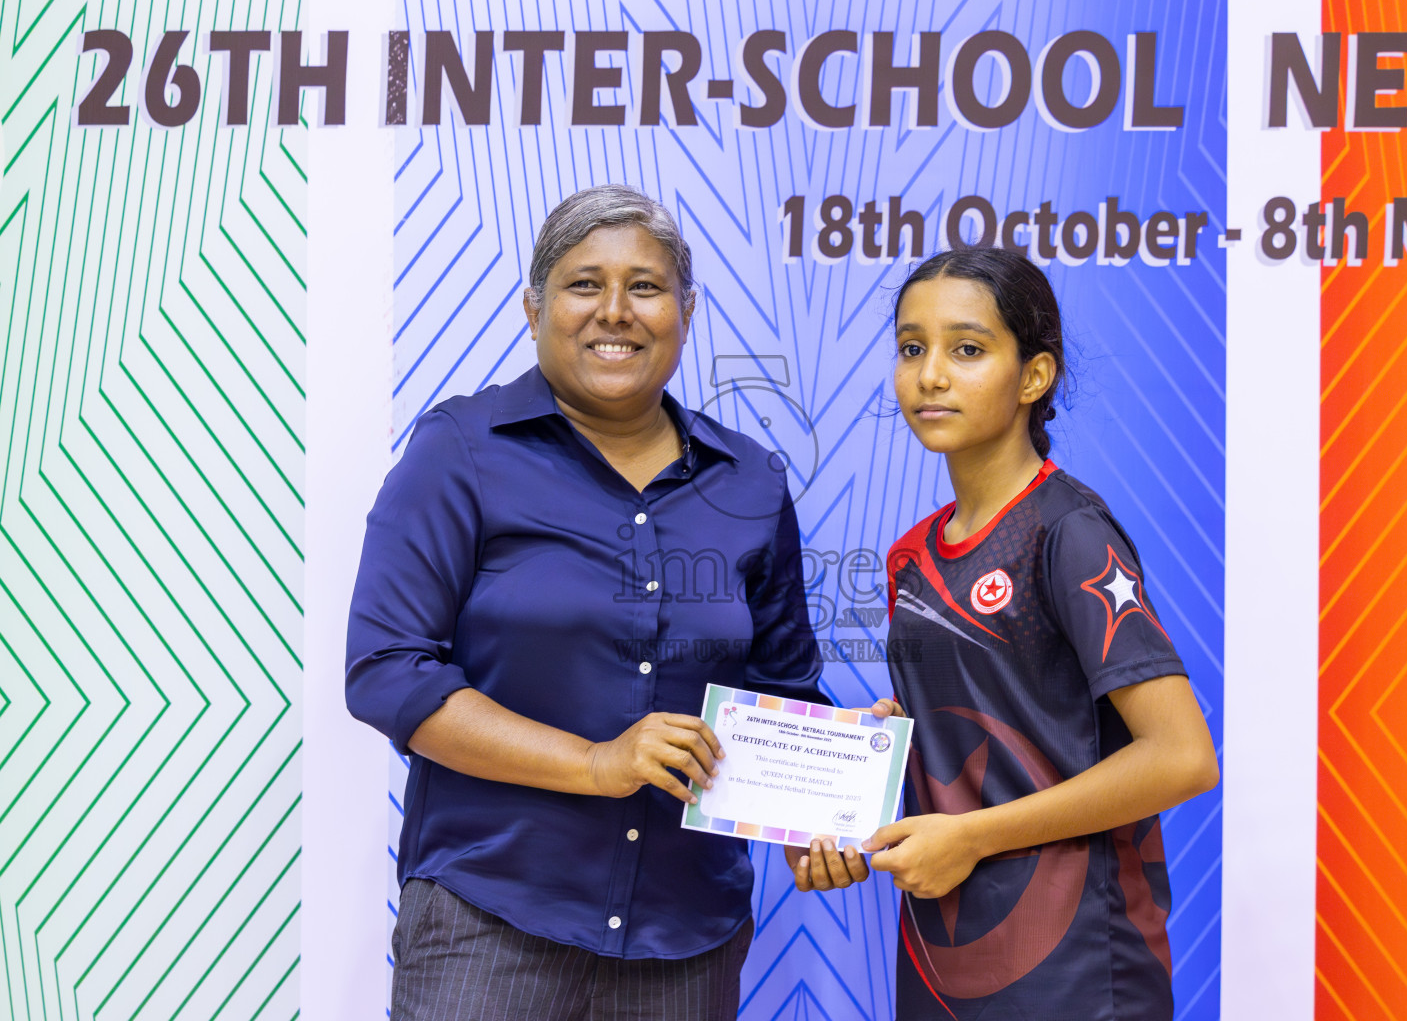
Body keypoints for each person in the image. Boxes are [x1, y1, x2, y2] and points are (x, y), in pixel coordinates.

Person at [345, 184, 863, 1021]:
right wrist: (596, 764)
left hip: (686, 938)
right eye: (584, 284)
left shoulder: (752, 481)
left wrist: (826, 796)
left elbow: (782, 692)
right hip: (492, 920)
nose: (615, 312)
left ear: (686, 312)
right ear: (532, 306)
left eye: (647, 288)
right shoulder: (461, 452)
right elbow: (388, 672)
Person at [860, 247, 1220, 1020]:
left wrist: (972, 838)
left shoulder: (1069, 532)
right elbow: (984, 723)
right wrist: (863, 771)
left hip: (1074, 965)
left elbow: (1182, 758)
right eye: (911, 348)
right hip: (945, 957)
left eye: (967, 349)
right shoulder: (912, 556)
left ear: (1034, 376)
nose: (930, 375)